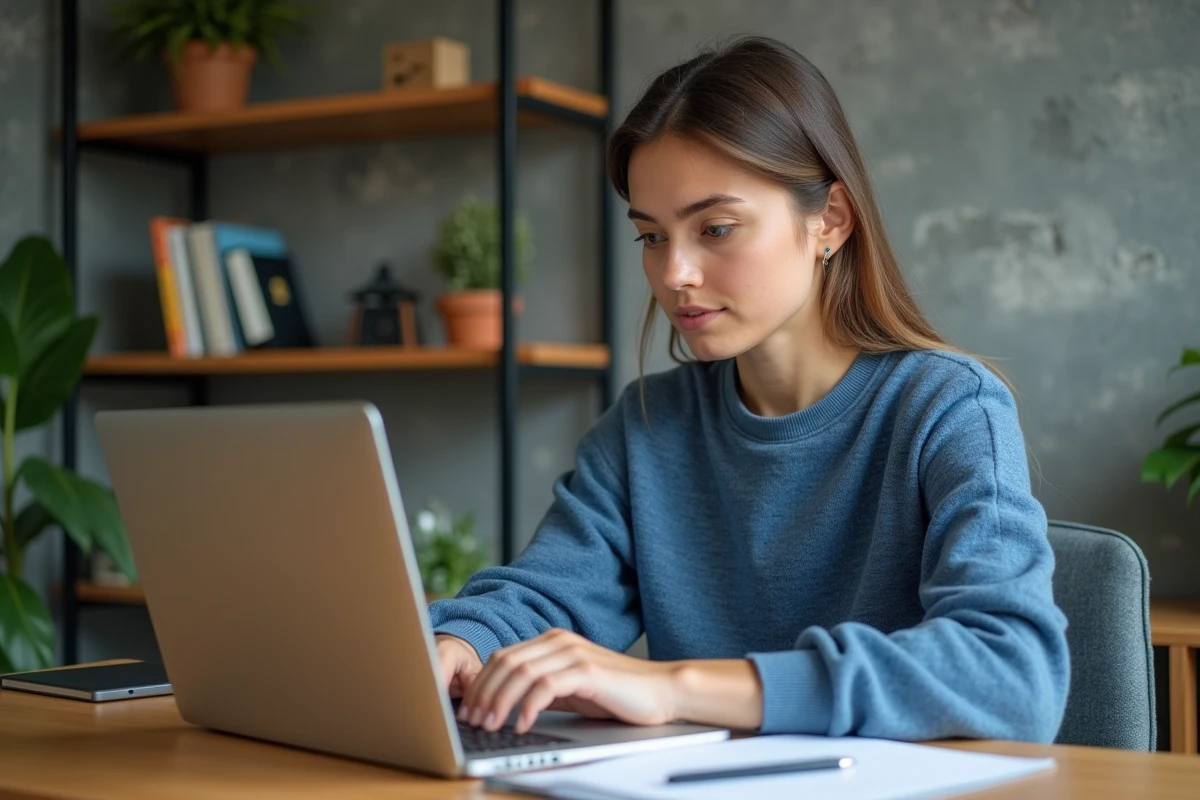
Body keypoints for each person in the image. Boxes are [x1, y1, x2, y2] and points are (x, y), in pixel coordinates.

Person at [428, 34, 1069, 743]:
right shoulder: (645, 428)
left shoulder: (949, 409)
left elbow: (1013, 672)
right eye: (651, 237)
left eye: (717, 228)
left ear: (829, 221)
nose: (674, 274)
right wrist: (460, 643)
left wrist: (675, 685)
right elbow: (545, 596)